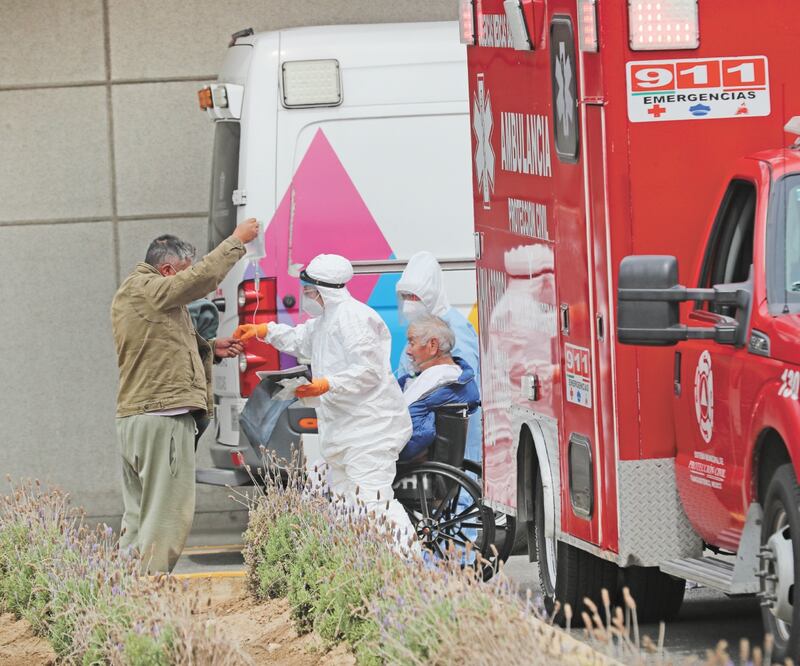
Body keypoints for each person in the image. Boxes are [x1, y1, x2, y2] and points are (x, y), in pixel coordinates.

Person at [234, 254, 415, 544]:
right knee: (346, 508)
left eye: (307, 290)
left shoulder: (356, 318)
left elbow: (368, 371)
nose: (305, 296)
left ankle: (409, 568)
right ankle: (363, 572)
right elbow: (300, 338)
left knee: (374, 503)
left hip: (371, 430)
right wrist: (265, 331)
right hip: (346, 431)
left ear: (322, 291)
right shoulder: (326, 321)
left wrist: (325, 384)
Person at [110, 218, 259, 573]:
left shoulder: (137, 295)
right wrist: (236, 242)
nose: (186, 283)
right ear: (167, 270)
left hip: (138, 419)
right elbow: (198, 280)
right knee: (167, 518)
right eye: (180, 274)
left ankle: (117, 595)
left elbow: (158, 344)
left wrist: (210, 347)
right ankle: (146, 602)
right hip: (162, 418)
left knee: (140, 517)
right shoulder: (149, 288)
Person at [395, 251, 482, 464]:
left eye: (414, 297)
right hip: (427, 435)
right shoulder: (422, 328)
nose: (408, 304)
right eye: (405, 297)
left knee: (455, 484)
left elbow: (461, 387)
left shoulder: (456, 330)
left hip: (450, 434)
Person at [398, 315, 480, 462]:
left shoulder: (439, 378)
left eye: (412, 343)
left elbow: (416, 433)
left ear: (433, 346)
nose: (408, 351)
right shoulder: (449, 375)